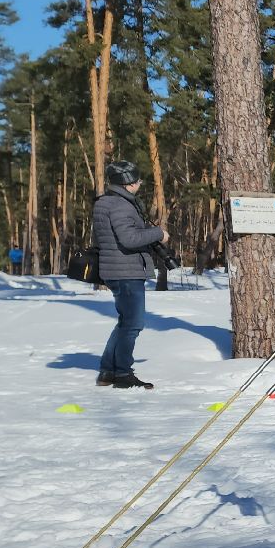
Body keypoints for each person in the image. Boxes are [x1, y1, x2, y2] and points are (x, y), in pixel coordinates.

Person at [93, 160, 168, 389]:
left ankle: (108, 370)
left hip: (116, 269)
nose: (140, 184)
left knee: (125, 323)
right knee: (133, 324)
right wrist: (158, 233)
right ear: (128, 183)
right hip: (125, 270)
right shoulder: (121, 205)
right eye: (137, 180)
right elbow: (129, 239)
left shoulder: (105, 202)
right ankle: (123, 374)